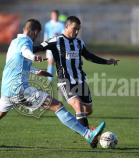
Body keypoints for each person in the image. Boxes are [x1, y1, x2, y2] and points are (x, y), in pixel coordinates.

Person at [0, 19, 106, 147]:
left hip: (6, 89)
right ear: (35, 32)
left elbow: (15, 64)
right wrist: (34, 57)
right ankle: (88, 134)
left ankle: (86, 131)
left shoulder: (13, 42)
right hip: (20, 90)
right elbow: (25, 51)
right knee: (58, 106)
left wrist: (36, 71)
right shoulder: (25, 42)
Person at [33, 16, 119, 148]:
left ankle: (77, 121)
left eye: (78, 29)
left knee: (88, 111)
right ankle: (91, 138)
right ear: (66, 27)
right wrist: (25, 51)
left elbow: (89, 56)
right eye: (75, 29)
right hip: (64, 81)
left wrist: (107, 61)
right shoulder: (56, 41)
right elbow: (38, 46)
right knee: (77, 104)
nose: (77, 32)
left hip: (80, 81)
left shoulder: (79, 43)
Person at [44, 10, 65, 83]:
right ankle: (50, 80)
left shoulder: (62, 24)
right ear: (51, 16)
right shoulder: (48, 24)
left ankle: (62, 79)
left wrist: (58, 35)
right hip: (50, 45)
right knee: (50, 62)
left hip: (59, 46)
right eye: (54, 15)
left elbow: (64, 35)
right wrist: (45, 44)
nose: (55, 17)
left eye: (56, 15)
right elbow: (46, 35)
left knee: (60, 63)